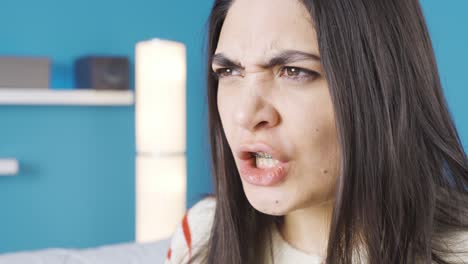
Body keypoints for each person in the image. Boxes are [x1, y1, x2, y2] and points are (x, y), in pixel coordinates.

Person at [165, 0, 468, 263]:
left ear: (380, 86)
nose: (245, 114)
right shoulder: (201, 236)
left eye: (294, 71)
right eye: (229, 72)